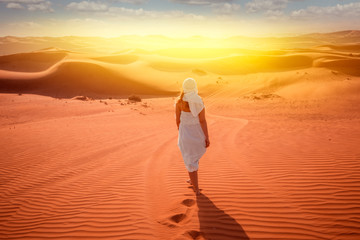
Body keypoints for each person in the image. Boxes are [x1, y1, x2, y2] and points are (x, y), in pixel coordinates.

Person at [175, 78, 210, 195]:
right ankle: (193, 182)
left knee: (190, 160)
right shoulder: (199, 102)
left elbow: (177, 121)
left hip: (185, 134)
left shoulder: (179, 103)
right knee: (194, 158)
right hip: (197, 134)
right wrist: (206, 136)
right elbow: (203, 121)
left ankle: (196, 188)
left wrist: (182, 133)